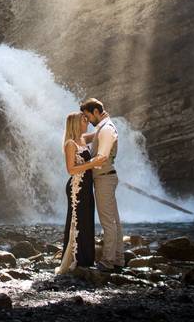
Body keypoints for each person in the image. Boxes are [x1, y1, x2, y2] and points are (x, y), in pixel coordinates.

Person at [80, 97, 123, 271]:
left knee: (108, 222)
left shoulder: (106, 129)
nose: (88, 120)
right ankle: (118, 259)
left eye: (88, 116)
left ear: (96, 112)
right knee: (114, 221)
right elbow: (84, 138)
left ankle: (107, 261)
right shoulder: (102, 128)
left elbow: (102, 157)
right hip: (105, 177)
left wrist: (80, 167)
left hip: (104, 177)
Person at [55, 111, 100, 274]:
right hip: (77, 186)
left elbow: (98, 133)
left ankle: (86, 259)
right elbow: (70, 169)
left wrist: (103, 120)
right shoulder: (70, 144)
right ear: (75, 123)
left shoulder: (83, 139)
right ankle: (76, 259)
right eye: (84, 120)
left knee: (87, 220)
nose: (87, 122)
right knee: (78, 221)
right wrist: (92, 163)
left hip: (87, 186)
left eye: (87, 120)